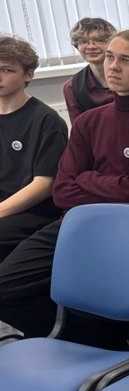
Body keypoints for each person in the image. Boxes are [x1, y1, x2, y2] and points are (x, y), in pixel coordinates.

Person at [0, 30, 129, 343]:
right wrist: (117, 187)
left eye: (126, 60)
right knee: (5, 288)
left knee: (96, 299)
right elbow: (62, 191)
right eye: (110, 57)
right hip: (77, 224)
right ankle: (80, 341)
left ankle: (101, 344)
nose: (113, 66)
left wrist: (86, 178)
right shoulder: (89, 121)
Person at [0, 35, 68, 273]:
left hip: (33, 211)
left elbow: (44, 184)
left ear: (28, 75)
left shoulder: (46, 120)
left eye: (7, 70)